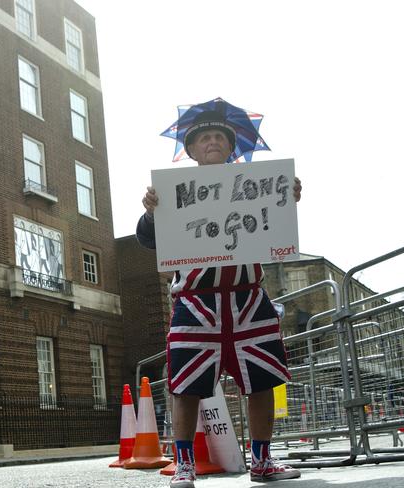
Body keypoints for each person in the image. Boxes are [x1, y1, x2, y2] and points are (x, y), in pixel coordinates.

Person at [137, 110, 302, 487]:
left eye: (220, 138)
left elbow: (276, 227)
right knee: (185, 387)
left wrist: (286, 196)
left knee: (262, 381)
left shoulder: (257, 183)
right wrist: (151, 212)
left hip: (248, 299)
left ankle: (261, 460)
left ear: (231, 148)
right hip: (196, 302)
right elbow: (149, 239)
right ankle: (184, 464)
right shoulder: (172, 191)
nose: (213, 142)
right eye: (205, 137)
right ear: (191, 149)